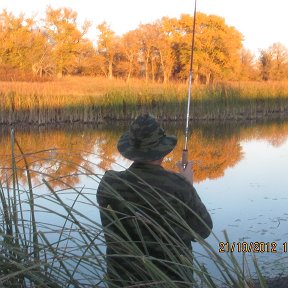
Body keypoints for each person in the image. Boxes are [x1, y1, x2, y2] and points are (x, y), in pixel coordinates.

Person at [97, 114, 213, 287]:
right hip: (172, 280)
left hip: (123, 280)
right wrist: (188, 184)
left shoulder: (109, 183)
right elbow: (203, 230)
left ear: (131, 151)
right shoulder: (179, 186)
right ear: (162, 151)